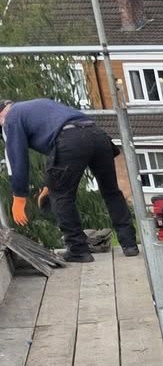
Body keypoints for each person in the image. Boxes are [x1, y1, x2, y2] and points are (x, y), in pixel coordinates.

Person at [2, 98, 139, 262]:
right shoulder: (35, 106)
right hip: (98, 135)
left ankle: (78, 250)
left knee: (61, 197)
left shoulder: (11, 118)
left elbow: (17, 158)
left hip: (71, 140)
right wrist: (50, 183)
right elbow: (58, 150)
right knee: (111, 191)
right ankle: (130, 244)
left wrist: (19, 196)